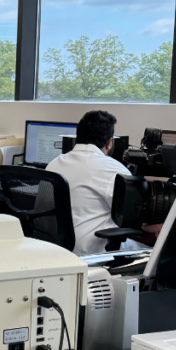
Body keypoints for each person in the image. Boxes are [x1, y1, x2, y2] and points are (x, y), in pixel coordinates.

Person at [46, 110, 135, 256]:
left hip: (54, 249)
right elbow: (134, 217)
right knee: (154, 252)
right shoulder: (113, 169)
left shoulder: (55, 163)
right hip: (90, 254)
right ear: (109, 142)